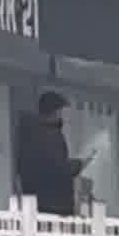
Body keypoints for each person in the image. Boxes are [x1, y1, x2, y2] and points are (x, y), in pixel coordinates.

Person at [14, 87, 82, 216]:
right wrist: (77, 165)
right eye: (61, 111)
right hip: (54, 206)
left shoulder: (29, 135)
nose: (63, 116)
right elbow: (57, 169)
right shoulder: (50, 135)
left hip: (36, 205)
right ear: (55, 112)